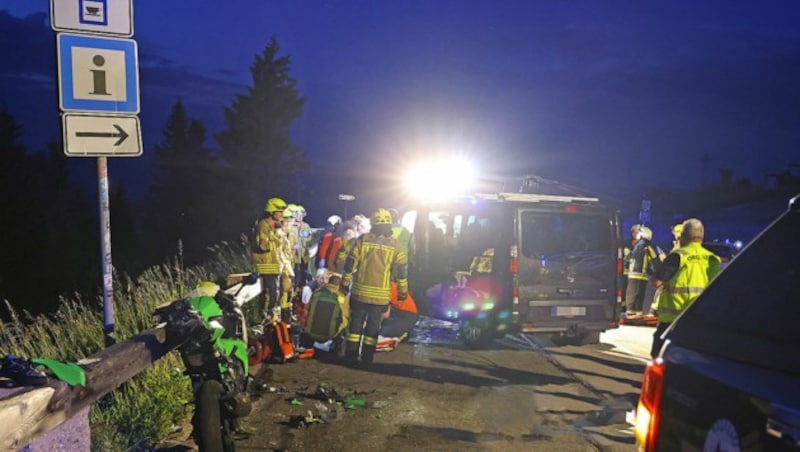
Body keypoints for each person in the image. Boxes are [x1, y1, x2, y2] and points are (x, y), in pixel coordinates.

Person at [340, 208, 408, 366]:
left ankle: (350, 356)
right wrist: (402, 290)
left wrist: (345, 283)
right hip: (380, 296)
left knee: (355, 325)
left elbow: (350, 263)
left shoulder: (363, 240)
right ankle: (367, 358)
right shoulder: (395, 245)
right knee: (372, 328)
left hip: (359, 293)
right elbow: (401, 270)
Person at [649, 218, 721, 358]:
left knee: (659, 357)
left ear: (682, 237)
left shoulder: (678, 256)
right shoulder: (712, 259)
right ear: (701, 237)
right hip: (698, 317)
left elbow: (656, 282)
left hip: (671, 319)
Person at [252, 197, 288, 319]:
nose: (281, 214)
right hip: (266, 266)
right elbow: (262, 246)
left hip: (275, 265)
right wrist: (277, 241)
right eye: (279, 211)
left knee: (276, 292)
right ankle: (266, 317)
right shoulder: (263, 226)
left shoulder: (275, 226)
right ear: (271, 212)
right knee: (270, 293)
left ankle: (272, 316)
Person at [624, 225, 664, 318]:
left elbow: (629, 257)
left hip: (631, 274)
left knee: (631, 294)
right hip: (640, 275)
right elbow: (654, 260)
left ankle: (631, 312)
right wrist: (659, 272)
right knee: (638, 295)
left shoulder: (637, 246)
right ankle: (635, 312)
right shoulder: (647, 246)